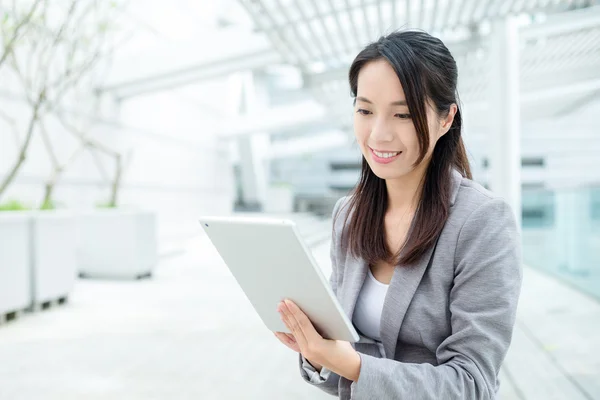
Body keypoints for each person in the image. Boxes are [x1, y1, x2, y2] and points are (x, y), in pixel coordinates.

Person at [273, 30, 522, 399]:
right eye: (365, 110)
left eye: (402, 114)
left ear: (446, 119)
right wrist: (316, 353)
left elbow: (472, 385)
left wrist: (350, 364)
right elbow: (340, 365)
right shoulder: (349, 215)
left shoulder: (483, 222)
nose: (379, 134)